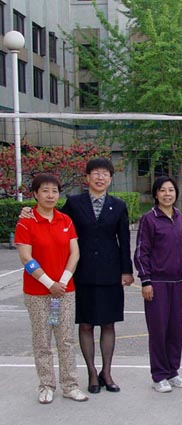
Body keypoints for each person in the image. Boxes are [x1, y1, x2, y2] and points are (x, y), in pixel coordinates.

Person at [20, 157, 134, 394]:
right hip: (80, 273)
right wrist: (28, 211)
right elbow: (50, 217)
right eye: (96, 173)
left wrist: (126, 270)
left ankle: (107, 372)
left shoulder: (119, 205)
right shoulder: (74, 203)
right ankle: (92, 373)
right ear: (87, 178)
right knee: (85, 324)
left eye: (105, 174)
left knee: (109, 324)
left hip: (110, 273)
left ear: (110, 179)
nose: (100, 177)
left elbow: (124, 240)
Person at [15, 174, 88, 403]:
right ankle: (46, 385)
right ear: (35, 194)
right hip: (38, 293)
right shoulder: (26, 222)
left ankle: (70, 385)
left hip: (63, 293)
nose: (50, 195)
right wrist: (49, 283)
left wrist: (62, 282)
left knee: (65, 339)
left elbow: (74, 253)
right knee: (42, 340)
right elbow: (26, 258)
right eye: (45, 190)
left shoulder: (65, 220)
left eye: (54, 191)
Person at [134, 176, 182, 393]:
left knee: (175, 329)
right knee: (158, 330)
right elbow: (141, 252)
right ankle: (159, 375)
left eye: (171, 190)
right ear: (156, 194)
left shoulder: (180, 217)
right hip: (157, 283)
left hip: (179, 282)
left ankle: (173, 372)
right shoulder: (149, 219)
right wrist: (146, 281)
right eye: (162, 190)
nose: (167, 194)